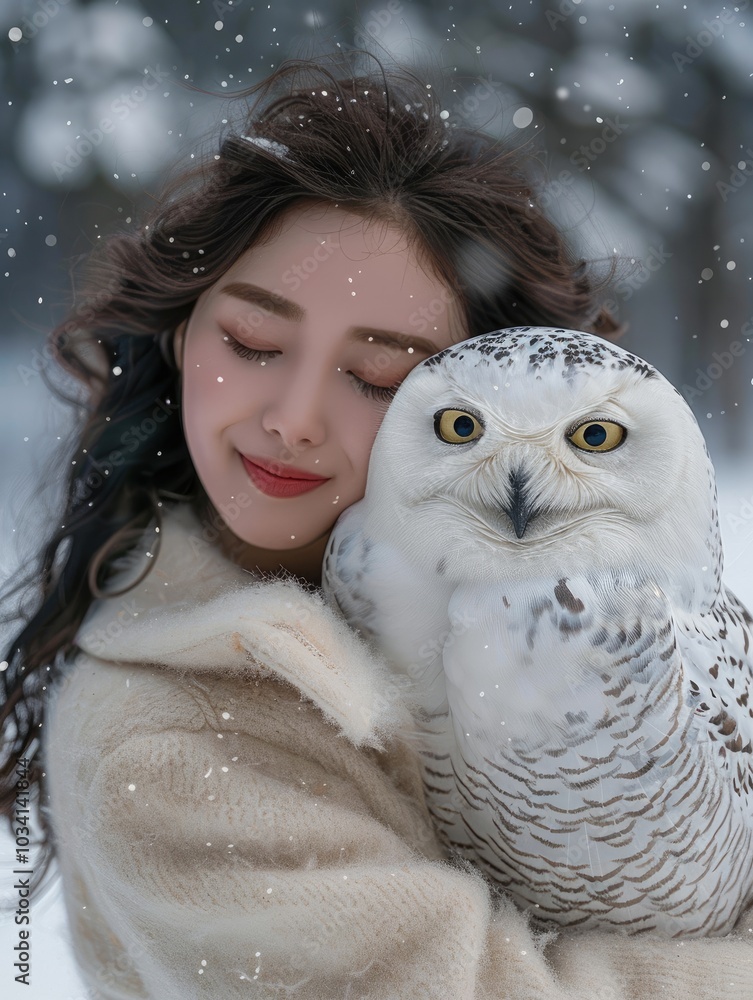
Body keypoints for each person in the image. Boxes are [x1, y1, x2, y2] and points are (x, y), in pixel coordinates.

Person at [1, 48, 751, 999]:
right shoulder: (164, 743)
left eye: (380, 375)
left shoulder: (548, 588)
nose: (295, 416)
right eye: (255, 343)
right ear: (184, 332)